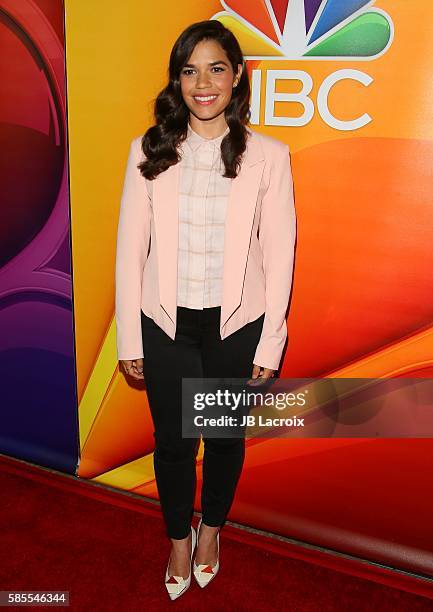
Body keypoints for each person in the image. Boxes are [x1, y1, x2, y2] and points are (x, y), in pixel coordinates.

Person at [115, 20, 296, 600]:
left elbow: (280, 253)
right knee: (172, 442)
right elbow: (128, 250)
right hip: (165, 323)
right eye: (189, 69)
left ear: (237, 75)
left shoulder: (269, 156)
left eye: (216, 67)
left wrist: (270, 344)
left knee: (221, 440)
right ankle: (176, 540)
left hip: (235, 324)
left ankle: (211, 534)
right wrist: (130, 342)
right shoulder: (149, 149)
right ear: (176, 81)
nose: (203, 82)